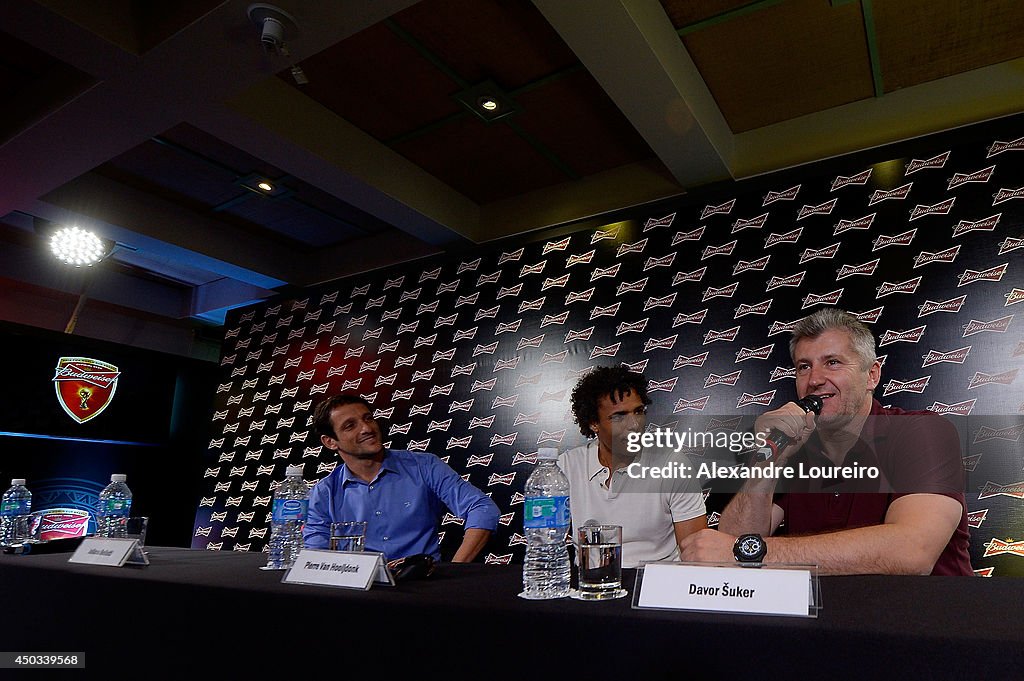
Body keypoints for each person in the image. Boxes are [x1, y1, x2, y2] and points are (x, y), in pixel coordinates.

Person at [680, 307, 972, 575]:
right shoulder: (796, 448)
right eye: (803, 367)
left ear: (872, 375)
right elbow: (733, 545)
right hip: (824, 624)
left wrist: (757, 554)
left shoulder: (922, 431)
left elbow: (912, 552)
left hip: (927, 625)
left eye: (832, 363)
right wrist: (769, 457)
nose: (815, 379)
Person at [304, 394, 499, 562]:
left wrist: (457, 569)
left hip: (423, 588)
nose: (366, 428)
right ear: (330, 442)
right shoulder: (323, 492)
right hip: (359, 595)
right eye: (350, 426)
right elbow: (315, 554)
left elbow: (482, 508)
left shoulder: (424, 466)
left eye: (368, 418)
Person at [560, 366, 706, 567]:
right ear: (594, 423)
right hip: (591, 585)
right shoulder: (566, 467)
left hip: (655, 585)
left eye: (638, 412)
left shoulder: (673, 464)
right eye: (619, 416)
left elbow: (696, 552)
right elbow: (545, 540)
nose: (634, 425)